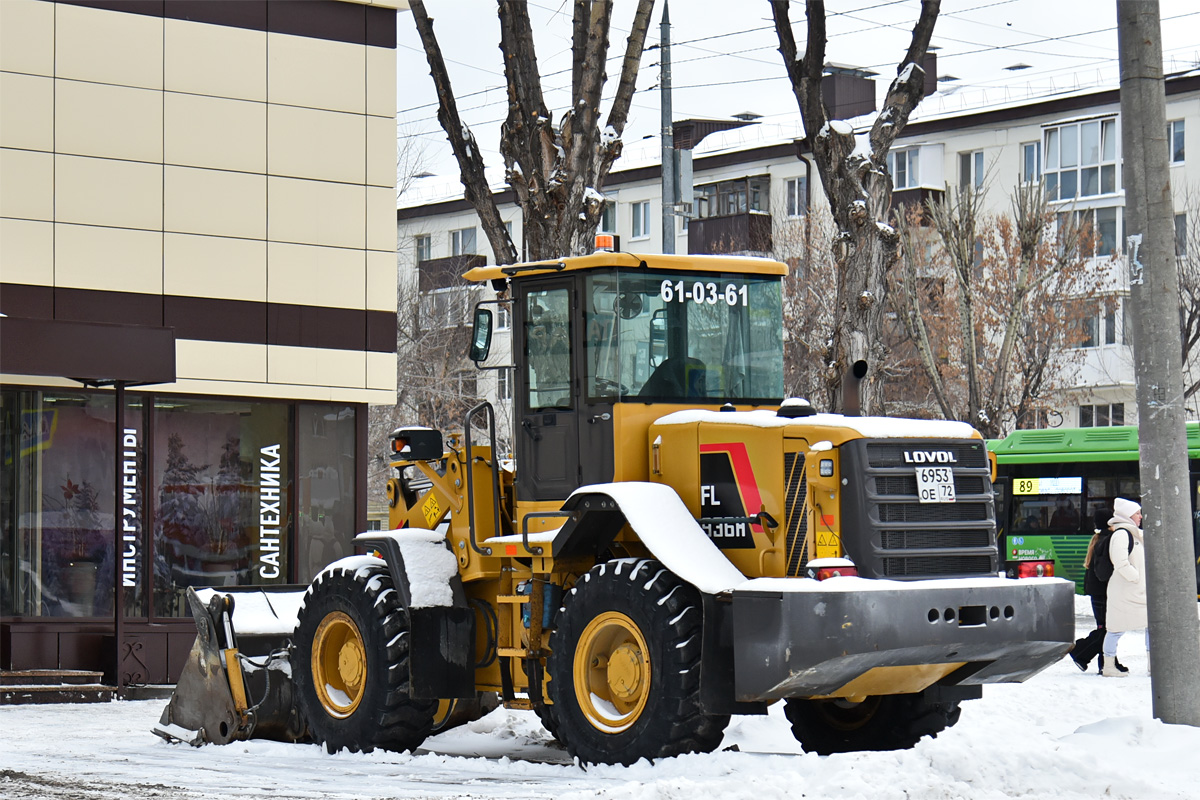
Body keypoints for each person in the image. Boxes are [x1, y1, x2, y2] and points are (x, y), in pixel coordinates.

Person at [1069, 507, 1127, 674]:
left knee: (1107, 627)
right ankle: (1080, 651)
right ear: (1110, 524)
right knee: (1108, 629)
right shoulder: (1108, 540)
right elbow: (1104, 573)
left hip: (1099, 592)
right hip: (1103, 592)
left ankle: (1106, 661)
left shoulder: (1099, 539)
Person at [1100, 497, 1148, 677]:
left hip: (1136, 591)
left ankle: (1154, 663)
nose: (1140, 516)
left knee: (1151, 626)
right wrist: (1135, 578)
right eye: (1137, 513)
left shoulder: (1135, 534)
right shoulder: (1121, 534)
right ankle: (1109, 666)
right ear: (1128, 515)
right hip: (1125, 591)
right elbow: (1120, 562)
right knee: (1115, 629)